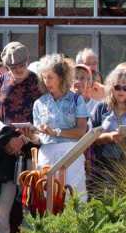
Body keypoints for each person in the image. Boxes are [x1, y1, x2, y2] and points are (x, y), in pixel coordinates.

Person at [0, 42, 42, 233]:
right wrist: (4, 139)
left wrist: (23, 139)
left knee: (29, 205)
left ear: (27, 62)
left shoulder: (38, 83)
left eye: (21, 65)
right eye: (12, 67)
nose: (17, 70)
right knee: (0, 207)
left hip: (32, 149)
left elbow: (46, 119)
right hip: (5, 152)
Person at [30, 54, 89, 199]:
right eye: (44, 77)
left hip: (71, 153)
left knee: (73, 198)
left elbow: (82, 132)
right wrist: (29, 136)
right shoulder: (39, 103)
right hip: (46, 155)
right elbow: (39, 138)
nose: (46, 81)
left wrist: (56, 132)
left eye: (50, 77)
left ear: (61, 77)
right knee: (47, 199)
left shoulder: (76, 100)